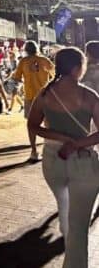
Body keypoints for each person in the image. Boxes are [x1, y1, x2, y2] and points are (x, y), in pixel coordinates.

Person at [28, 47, 99, 268]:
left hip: (52, 160)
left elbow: (32, 125)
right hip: (83, 163)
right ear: (78, 69)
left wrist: (59, 137)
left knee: (66, 208)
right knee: (78, 226)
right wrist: (75, 143)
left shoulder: (45, 94)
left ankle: (67, 232)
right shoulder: (88, 96)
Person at [13, 40, 55, 162]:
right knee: (48, 123)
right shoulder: (44, 60)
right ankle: (49, 148)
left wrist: (27, 78)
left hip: (30, 96)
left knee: (32, 124)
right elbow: (54, 74)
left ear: (26, 49)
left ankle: (33, 151)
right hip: (45, 95)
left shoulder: (23, 61)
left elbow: (17, 77)